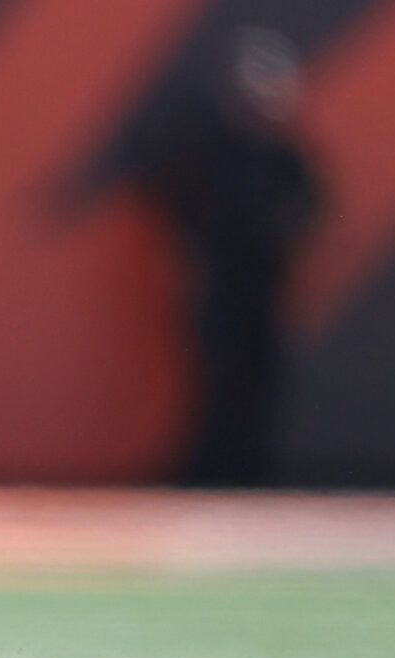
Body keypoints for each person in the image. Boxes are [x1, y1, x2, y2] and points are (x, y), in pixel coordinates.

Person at [133, 27, 323, 486]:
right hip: (218, 286)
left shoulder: (285, 156)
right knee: (216, 385)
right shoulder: (213, 149)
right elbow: (172, 197)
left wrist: (281, 233)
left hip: (266, 287)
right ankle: (207, 477)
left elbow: (312, 206)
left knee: (261, 386)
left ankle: (253, 477)